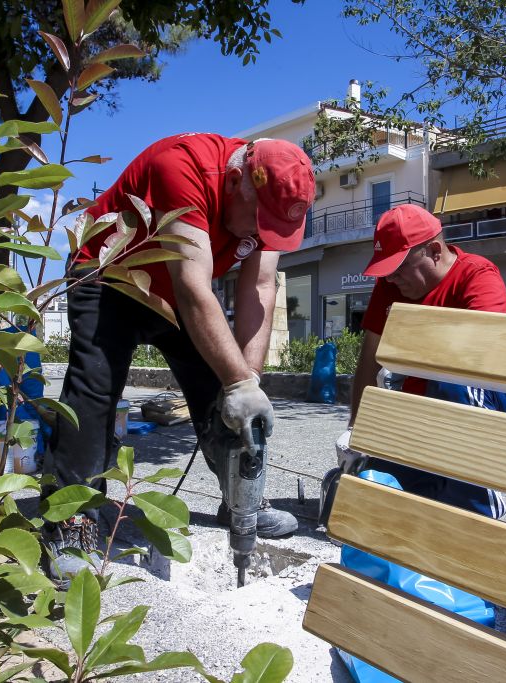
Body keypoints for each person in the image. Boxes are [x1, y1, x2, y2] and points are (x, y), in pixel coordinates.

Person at [43, 133, 316, 581]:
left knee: (220, 388)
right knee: (94, 389)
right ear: (233, 181)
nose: (257, 234)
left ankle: (241, 502)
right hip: (109, 274)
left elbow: (260, 288)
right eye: (256, 221)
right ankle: (72, 522)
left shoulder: (268, 195)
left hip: (172, 292)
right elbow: (194, 287)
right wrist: (239, 382)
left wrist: (247, 381)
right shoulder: (182, 166)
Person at [338, 204, 506, 519]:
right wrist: (358, 430)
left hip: (499, 403)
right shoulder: (389, 286)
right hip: (430, 415)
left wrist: (415, 334)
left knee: (453, 373)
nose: (391, 278)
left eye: (399, 267)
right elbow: (370, 358)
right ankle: (438, 488)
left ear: (434, 250)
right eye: (386, 270)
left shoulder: (477, 274)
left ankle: (477, 507)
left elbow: (483, 357)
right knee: (380, 496)